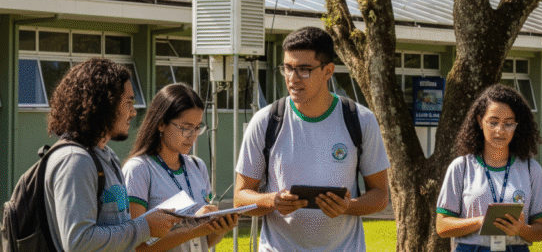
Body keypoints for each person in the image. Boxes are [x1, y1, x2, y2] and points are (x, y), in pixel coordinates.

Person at [233, 26, 390, 251]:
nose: (293, 79)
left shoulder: (360, 120)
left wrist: (347, 206)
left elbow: (380, 196)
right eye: (287, 68)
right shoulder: (266, 121)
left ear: (328, 71)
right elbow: (240, 197)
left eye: (304, 70)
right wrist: (272, 201)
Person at [44, 58, 178, 251]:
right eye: (128, 102)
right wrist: (145, 226)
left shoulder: (106, 156)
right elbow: (79, 243)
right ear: (104, 103)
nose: (133, 112)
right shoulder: (75, 161)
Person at [123, 83, 239, 251]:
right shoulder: (139, 169)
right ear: (161, 124)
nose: (192, 136)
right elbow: (137, 247)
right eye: (185, 128)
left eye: (197, 127)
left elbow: (204, 242)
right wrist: (194, 229)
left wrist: (220, 227)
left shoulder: (197, 166)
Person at [436, 84, 542, 252]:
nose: (500, 130)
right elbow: (442, 226)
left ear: (518, 125)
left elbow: (540, 231)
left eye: (509, 123)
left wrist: (521, 229)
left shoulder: (531, 169)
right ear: (480, 121)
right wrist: (479, 222)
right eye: (493, 122)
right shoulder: (461, 167)